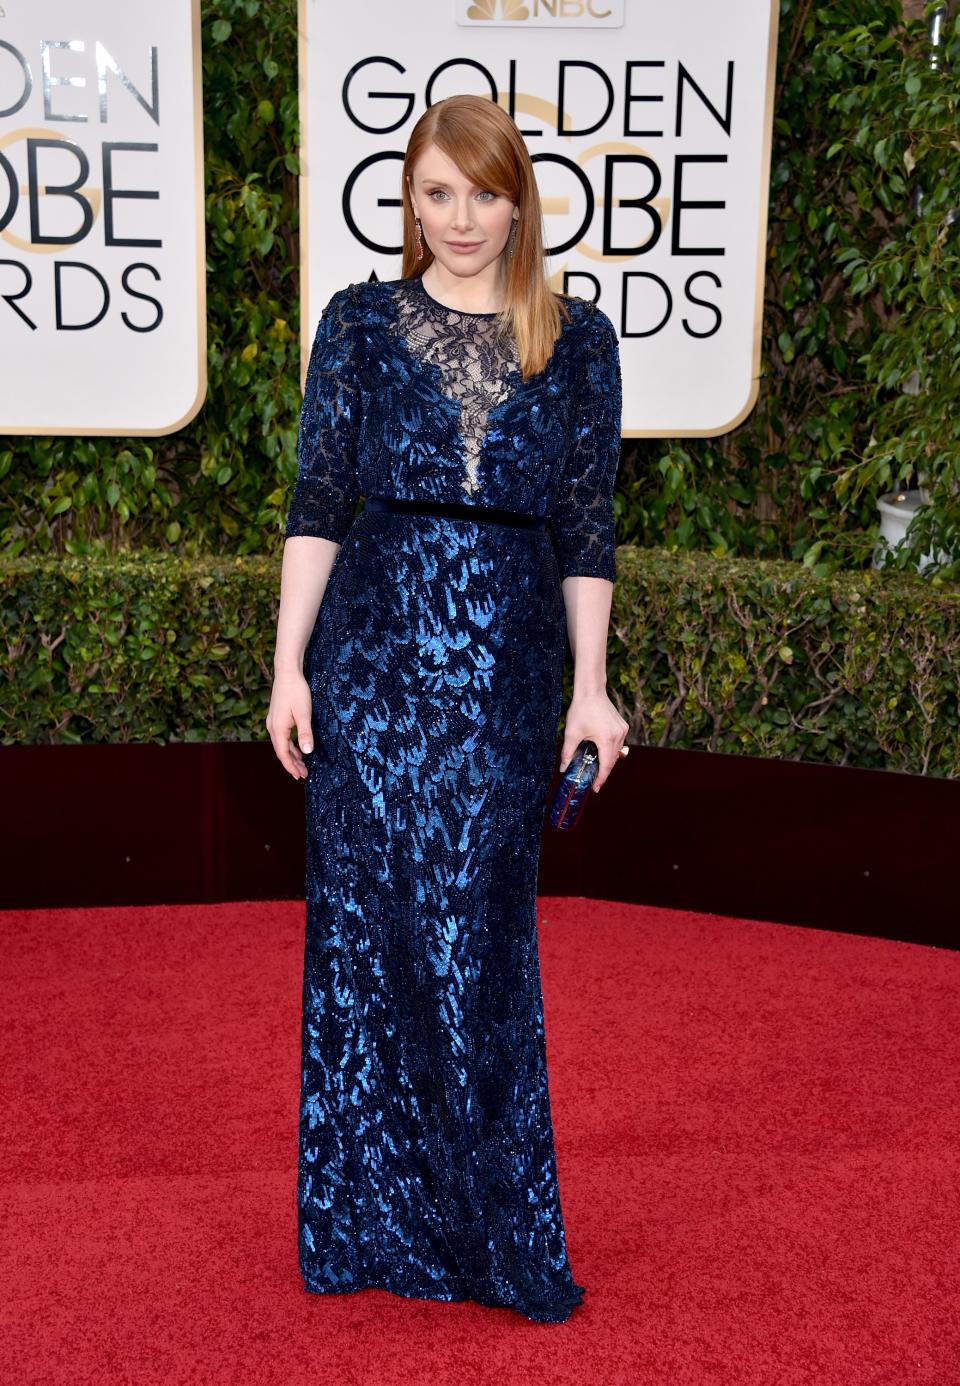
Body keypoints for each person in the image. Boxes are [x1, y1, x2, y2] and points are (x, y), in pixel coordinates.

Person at [266, 92, 628, 1324]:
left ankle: (484, 1228)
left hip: (508, 674)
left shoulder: (576, 342)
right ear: (407, 202)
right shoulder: (360, 325)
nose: (459, 218)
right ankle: (367, 1221)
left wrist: (591, 686)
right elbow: (318, 503)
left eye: (481, 192)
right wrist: (289, 667)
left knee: (479, 940)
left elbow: (587, 525)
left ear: (517, 199)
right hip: (371, 662)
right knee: (366, 940)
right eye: (435, 192)